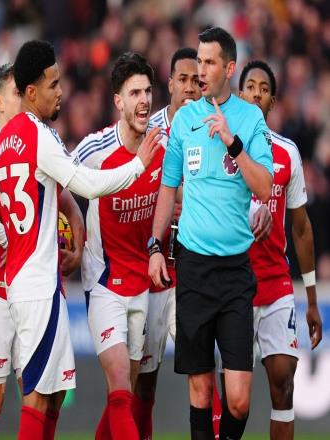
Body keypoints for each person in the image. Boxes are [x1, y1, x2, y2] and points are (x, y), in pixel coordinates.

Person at [0, 40, 161, 440]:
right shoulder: (41, 137)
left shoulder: (1, 142)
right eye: (53, 84)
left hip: (18, 282)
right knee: (37, 400)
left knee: (48, 397)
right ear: (31, 91)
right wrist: (139, 165)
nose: (60, 92)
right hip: (38, 286)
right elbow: (87, 184)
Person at [148, 27, 273, 439]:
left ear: (229, 68)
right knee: (200, 390)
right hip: (194, 268)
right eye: (198, 61)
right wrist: (155, 246)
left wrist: (232, 142)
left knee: (238, 399)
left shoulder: (250, 119)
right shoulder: (185, 121)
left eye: (209, 62)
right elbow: (168, 188)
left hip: (235, 272)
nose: (200, 71)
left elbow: (265, 187)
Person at [0, 62, 85, 439]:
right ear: (0, 101)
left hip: (38, 279)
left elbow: (66, 195)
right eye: (17, 92)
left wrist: (78, 239)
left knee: (50, 393)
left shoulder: (45, 138)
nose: (24, 99)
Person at [72, 51, 162, 440]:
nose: (144, 100)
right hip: (104, 281)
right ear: (118, 101)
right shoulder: (95, 150)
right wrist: (73, 229)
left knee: (124, 395)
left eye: (147, 91)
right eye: (135, 93)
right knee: (121, 381)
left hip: (143, 282)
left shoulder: (163, 144)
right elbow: (57, 182)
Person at [237, 60, 322, 439]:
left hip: (275, 284)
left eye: (264, 89)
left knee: (284, 382)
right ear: (239, 95)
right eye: (250, 87)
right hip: (234, 285)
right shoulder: (222, 150)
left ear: (272, 102)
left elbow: (301, 229)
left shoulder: (287, 153)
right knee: (236, 400)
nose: (257, 94)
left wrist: (312, 300)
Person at [134, 47, 201, 440]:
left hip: (194, 267)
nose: (190, 88)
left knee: (201, 370)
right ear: (171, 83)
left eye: (197, 81)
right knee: (145, 378)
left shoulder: (213, 128)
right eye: (183, 80)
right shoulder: (150, 132)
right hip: (154, 267)